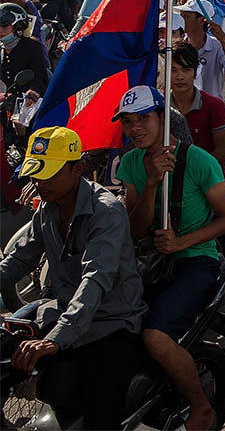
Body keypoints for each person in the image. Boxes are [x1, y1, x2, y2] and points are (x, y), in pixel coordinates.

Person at [0, 127, 147, 430]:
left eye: (50, 174)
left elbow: (94, 282)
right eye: (36, 175)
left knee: (100, 417)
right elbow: (17, 259)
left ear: (77, 168)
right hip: (62, 310)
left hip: (110, 323)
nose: (39, 183)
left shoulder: (106, 212)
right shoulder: (47, 210)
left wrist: (53, 340)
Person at [116, 86, 225, 431]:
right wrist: (153, 182)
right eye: (128, 122)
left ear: (162, 119)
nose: (136, 128)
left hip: (197, 261)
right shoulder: (130, 163)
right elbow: (136, 229)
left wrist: (181, 241)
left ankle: (201, 408)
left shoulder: (199, 160)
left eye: (144, 119)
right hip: (152, 261)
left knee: (156, 337)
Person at [169, 42, 225, 171]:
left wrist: (192, 172)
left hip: (208, 178)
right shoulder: (160, 108)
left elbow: (223, 149)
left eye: (186, 70)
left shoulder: (214, 106)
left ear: (195, 72)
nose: (179, 77)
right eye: (173, 70)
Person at [175, 0, 225, 100]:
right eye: (181, 15)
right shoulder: (178, 46)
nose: (181, 19)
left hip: (210, 109)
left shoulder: (217, 46)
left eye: (186, 16)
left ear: (202, 20)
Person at [0, 2, 48, 95]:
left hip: (24, 103)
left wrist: (33, 91)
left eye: (4, 25)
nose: (0, 29)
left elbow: (40, 76)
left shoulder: (32, 47)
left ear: (18, 26)